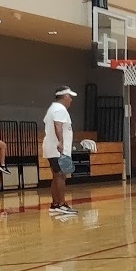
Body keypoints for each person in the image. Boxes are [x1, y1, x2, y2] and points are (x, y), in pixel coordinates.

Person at [43, 87, 78, 216]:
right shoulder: (59, 109)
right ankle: (61, 205)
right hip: (57, 149)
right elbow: (57, 125)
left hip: (53, 149)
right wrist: (61, 142)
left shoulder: (53, 108)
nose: (71, 100)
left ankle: (55, 204)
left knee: (56, 176)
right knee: (61, 176)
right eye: (70, 97)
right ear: (64, 97)